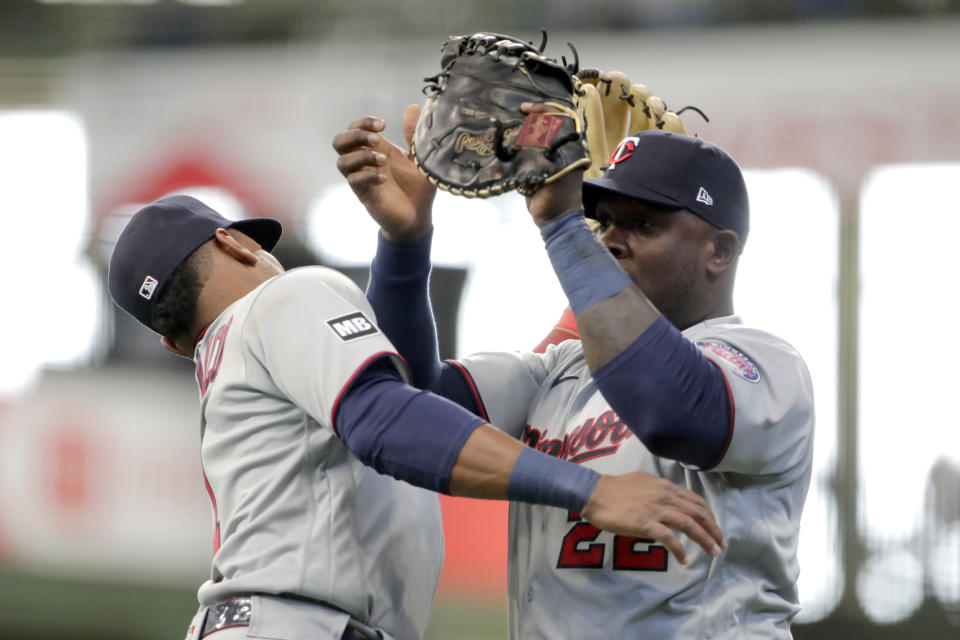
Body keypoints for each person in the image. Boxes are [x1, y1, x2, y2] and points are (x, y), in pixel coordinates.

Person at [106, 195, 725, 640]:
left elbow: (420, 389)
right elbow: (388, 418)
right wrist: (591, 490)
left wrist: (404, 244)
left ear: (172, 341)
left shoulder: (229, 360)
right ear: (233, 241)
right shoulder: (282, 296)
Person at [332, 104, 815, 638]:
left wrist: (564, 229)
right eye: (602, 221)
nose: (608, 238)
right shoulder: (562, 370)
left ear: (719, 252)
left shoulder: (762, 363)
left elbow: (673, 411)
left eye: (643, 223)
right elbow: (410, 402)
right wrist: (405, 243)